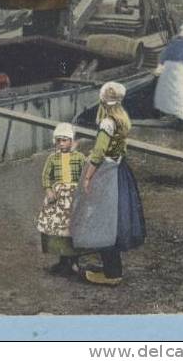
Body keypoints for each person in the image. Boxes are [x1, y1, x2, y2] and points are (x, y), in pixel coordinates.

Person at [80, 81, 146, 286]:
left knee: (103, 221)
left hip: (106, 174)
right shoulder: (123, 119)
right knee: (115, 220)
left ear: (103, 101)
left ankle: (112, 273)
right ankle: (112, 268)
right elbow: (119, 149)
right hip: (120, 171)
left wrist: (88, 176)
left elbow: (98, 153)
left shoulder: (107, 123)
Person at [36, 122, 87, 276]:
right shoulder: (52, 158)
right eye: (58, 140)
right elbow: (46, 176)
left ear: (71, 141)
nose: (61, 143)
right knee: (59, 228)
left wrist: (83, 191)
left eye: (65, 140)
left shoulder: (79, 157)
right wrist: (48, 190)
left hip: (74, 197)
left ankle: (75, 261)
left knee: (73, 228)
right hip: (58, 198)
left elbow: (85, 175)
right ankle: (62, 260)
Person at [153, 23, 183, 130]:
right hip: (179, 70)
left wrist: (160, 66)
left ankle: (177, 118)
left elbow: (163, 55)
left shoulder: (173, 41)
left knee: (173, 94)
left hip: (168, 69)